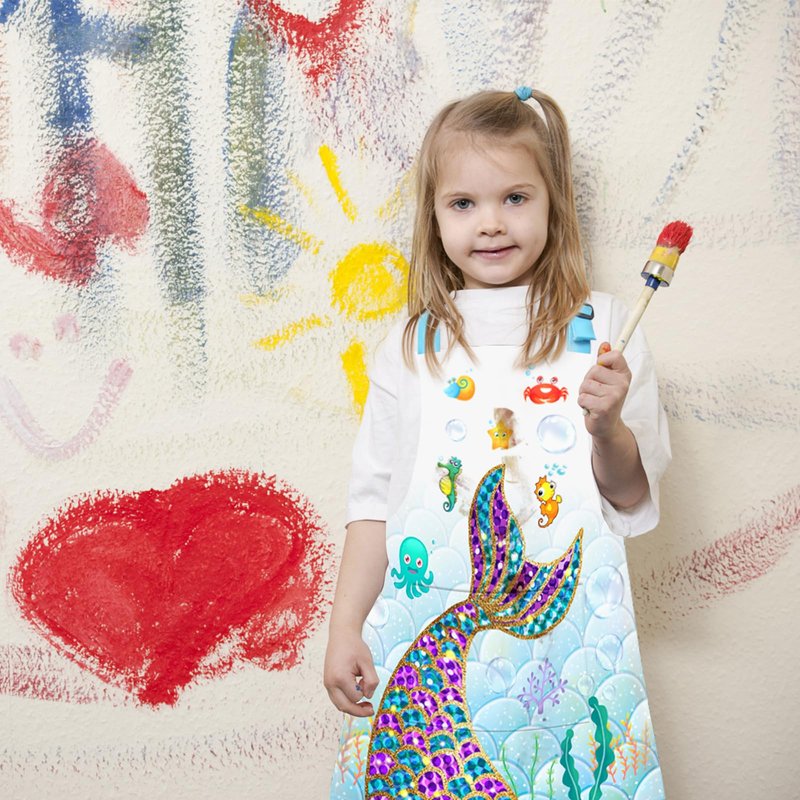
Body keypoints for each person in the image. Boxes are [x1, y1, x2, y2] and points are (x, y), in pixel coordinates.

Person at [324, 87, 670, 800]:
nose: (490, 223)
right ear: (434, 217)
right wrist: (345, 626)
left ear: (553, 204)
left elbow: (631, 495)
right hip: (423, 621)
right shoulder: (408, 347)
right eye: (463, 203)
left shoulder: (608, 329)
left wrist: (608, 428)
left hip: (575, 647)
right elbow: (372, 506)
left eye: (515, 197)